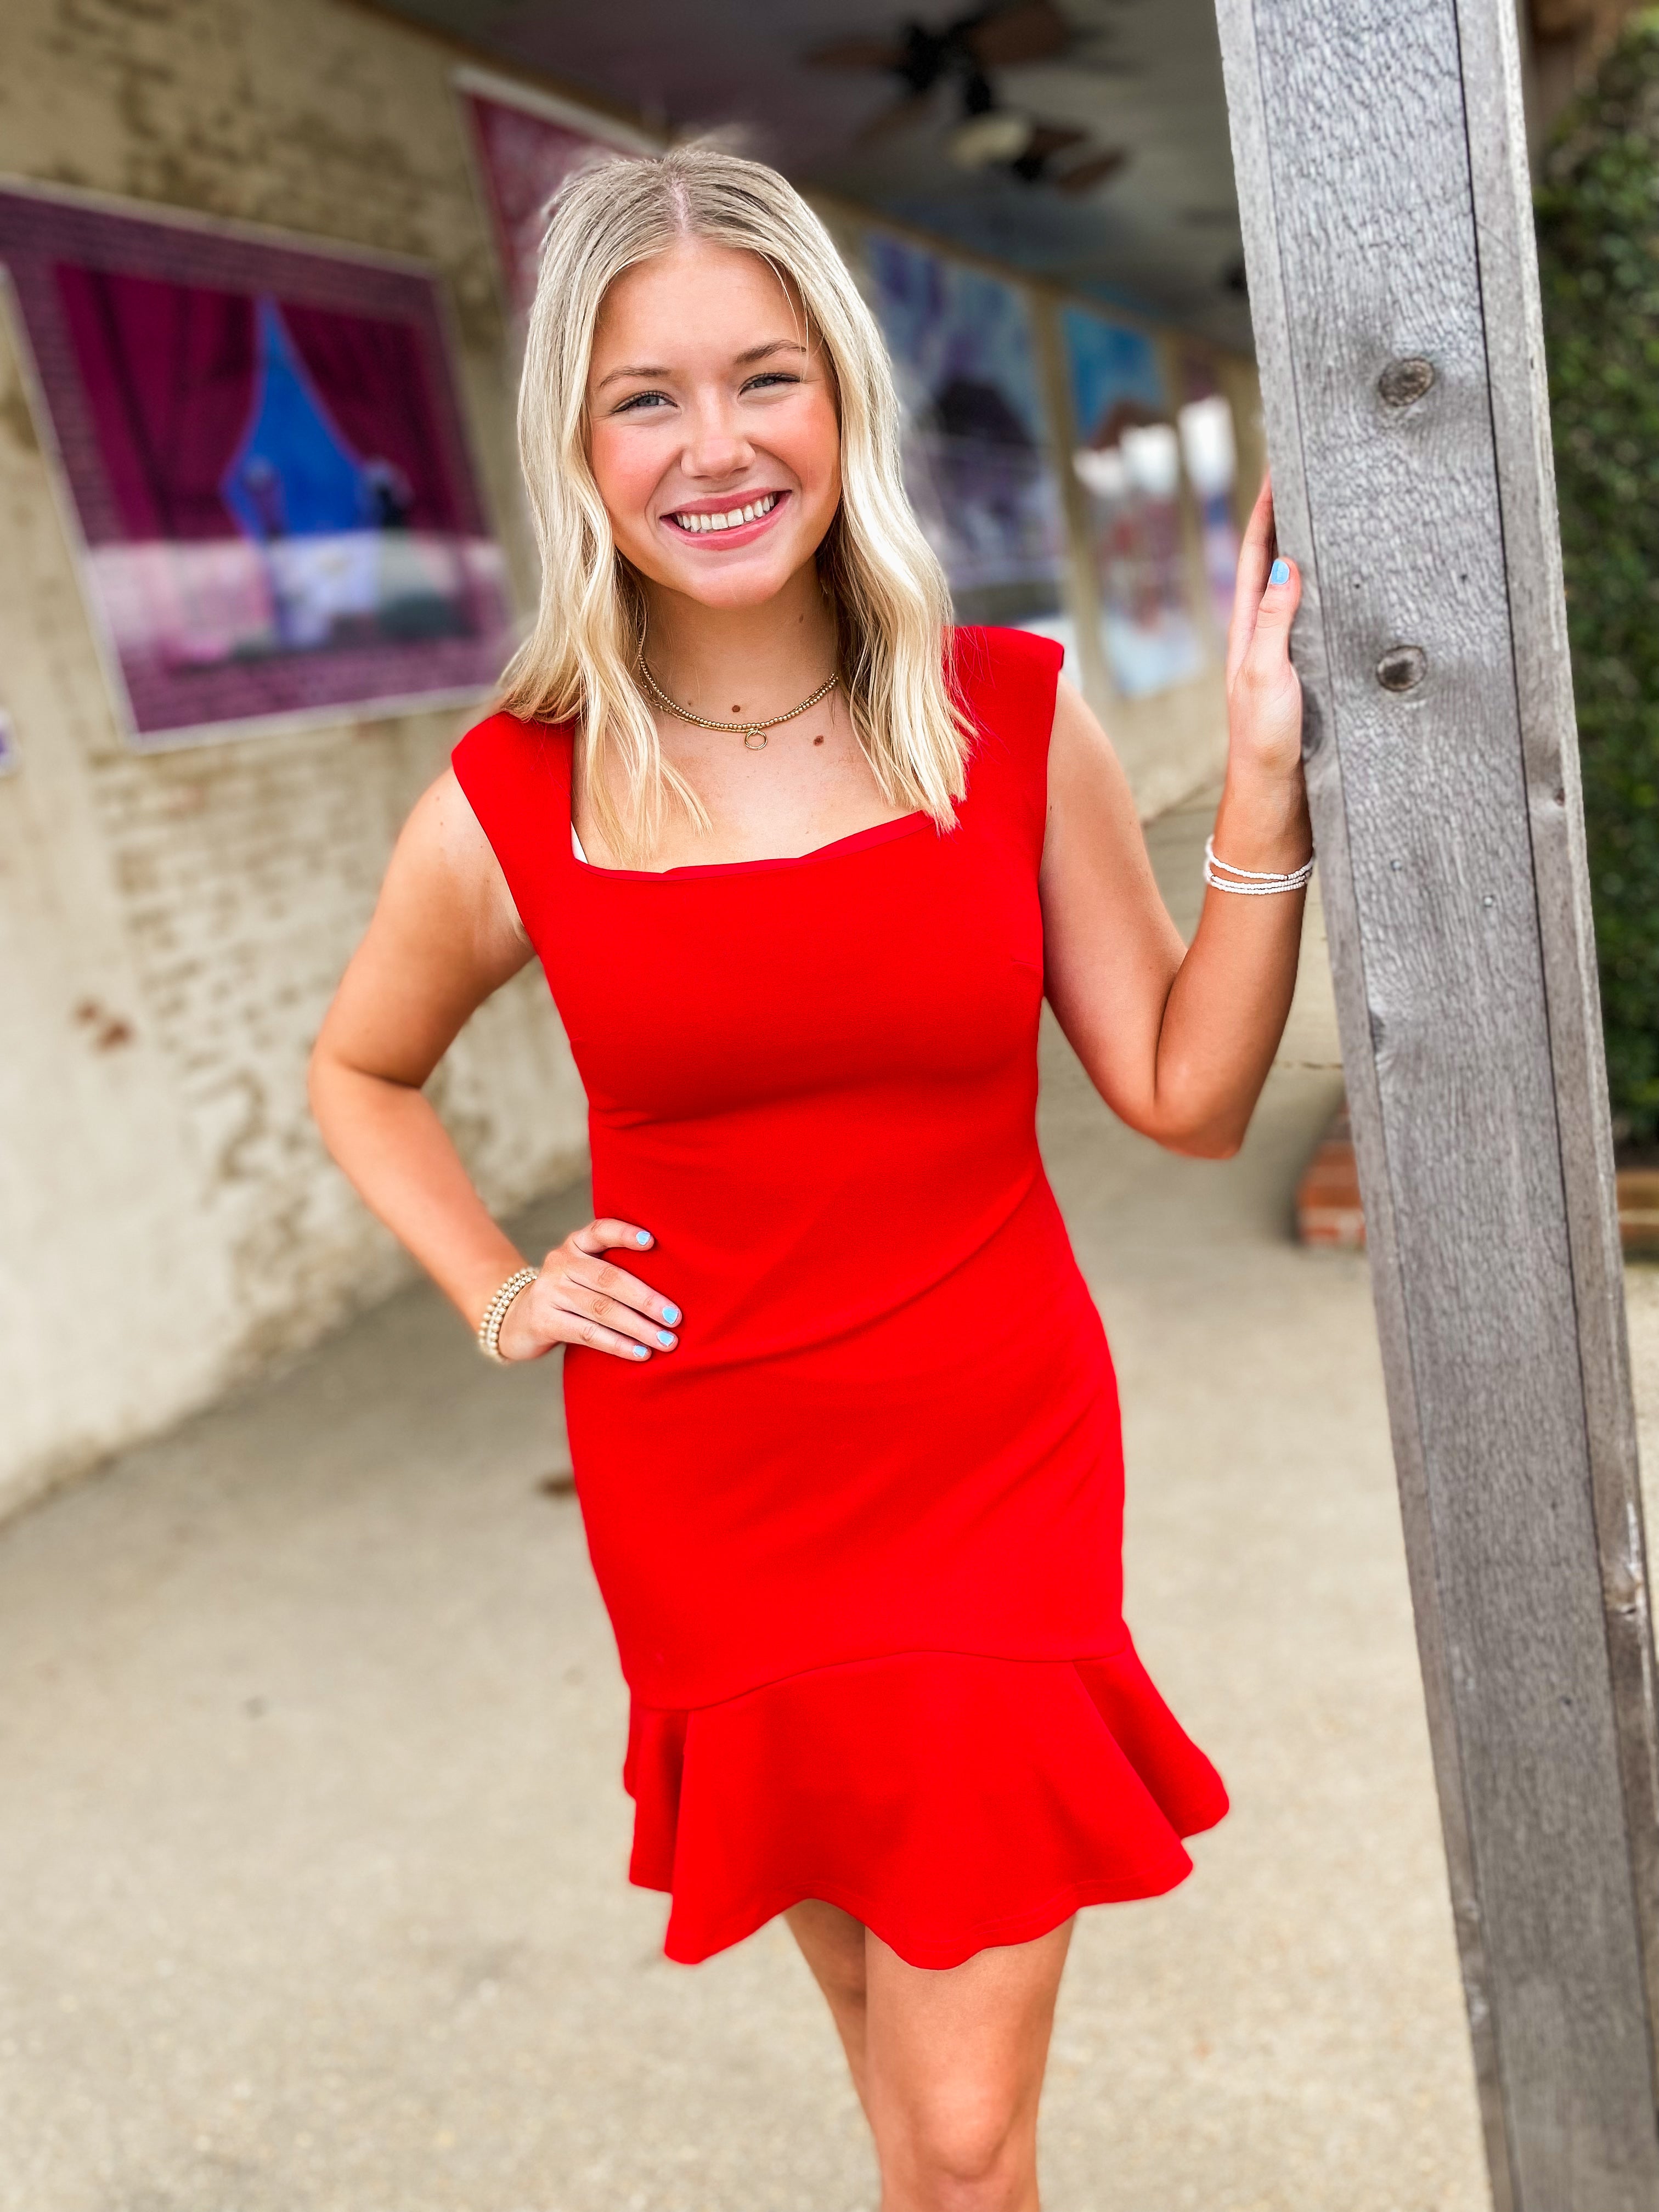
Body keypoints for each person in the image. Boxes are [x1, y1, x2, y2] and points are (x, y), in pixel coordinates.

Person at [309, 144, 1308, 2212]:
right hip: (709, 1492)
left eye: (762, 377)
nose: (715, 446)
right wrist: (501, 1285)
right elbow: (362, 1069)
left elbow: (1186, 1093)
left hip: (988, 1462)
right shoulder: (520, 788)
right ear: (575, 451)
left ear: (842, 395)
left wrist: (1271, 785)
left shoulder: (1007, 714)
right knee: (915, 2103)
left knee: (950, 2133)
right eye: (643, 399)